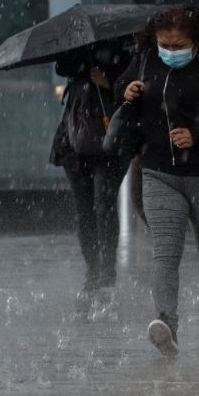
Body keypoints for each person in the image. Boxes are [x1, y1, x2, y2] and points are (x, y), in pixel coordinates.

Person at [114, 4, 199, 356]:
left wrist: (198, 135)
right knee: (165, 252)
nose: (170, 51)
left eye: (178, 44)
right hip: (159, 172)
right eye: (164, 44)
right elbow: (120, 87)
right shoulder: (145, 59)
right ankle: (167, 323)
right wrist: (127, 91)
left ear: (195, 38)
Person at [50, 39, 131, 309]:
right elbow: (62, 67)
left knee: (104, 205)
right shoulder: (76, 51)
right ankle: (92, 271)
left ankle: (107, 272)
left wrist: (108, 80)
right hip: (75, 140)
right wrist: (84, 62)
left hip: (109, 141)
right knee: (84, 209)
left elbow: (135, 90)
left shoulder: (124, 54)